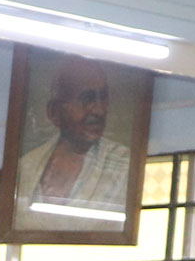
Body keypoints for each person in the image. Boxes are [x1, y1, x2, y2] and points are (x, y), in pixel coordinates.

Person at [12, 57, 131, 226]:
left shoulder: (124, 164)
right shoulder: (25, 168)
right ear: (54, 112)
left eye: (103, 98)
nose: (99, 110)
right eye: (87, 99)